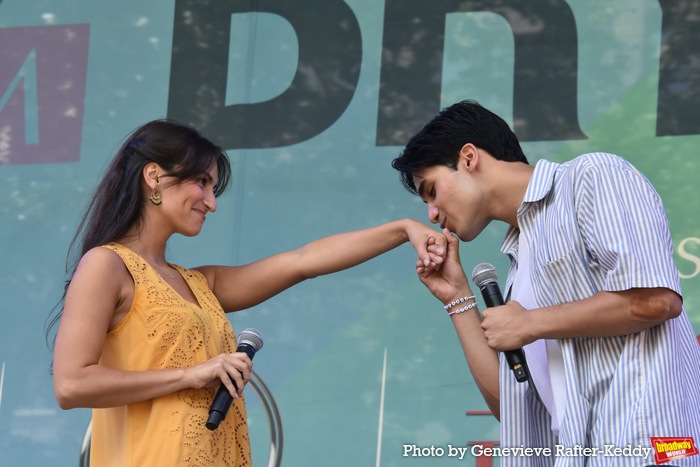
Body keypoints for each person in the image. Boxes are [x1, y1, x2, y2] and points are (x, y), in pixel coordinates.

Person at [49, 119, 447, 467]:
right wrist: (190, 375)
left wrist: (402, 230)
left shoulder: (198, 284)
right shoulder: (106, 265)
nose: (211, 202)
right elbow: (71, 385)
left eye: (213, 187)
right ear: (154, 176)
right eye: (202, 182)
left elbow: (302, 261)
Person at [391, 100, 700, 466]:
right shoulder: (519, 268)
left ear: (469, 157)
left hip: (646, 450)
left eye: (431, 191)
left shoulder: (591, 176)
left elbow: (656, 300)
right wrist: (457, 298)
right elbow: (512, 408)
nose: (432, 213)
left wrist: (530, 323)